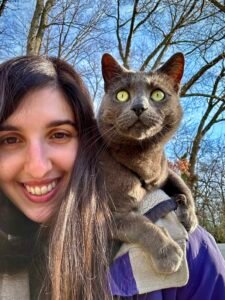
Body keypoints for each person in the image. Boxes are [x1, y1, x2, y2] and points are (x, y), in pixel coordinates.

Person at [0, 55, 112, 300]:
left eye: (59, 135)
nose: (38, 168)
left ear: (86, 141)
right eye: (10, 140)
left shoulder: (186, 252)